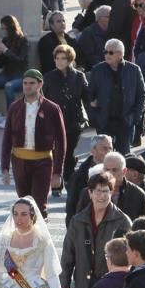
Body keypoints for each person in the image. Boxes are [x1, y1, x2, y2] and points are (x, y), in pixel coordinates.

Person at [60, 172, 131, 288]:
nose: (102, 196)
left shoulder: (123, 221)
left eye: (106, 191)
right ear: (90, 193)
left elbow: (130, 258)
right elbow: (67, 259)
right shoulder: (77, 221)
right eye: (98, 191)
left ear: (112, 193)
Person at [87, 38, 145, 153]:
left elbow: (141, 96)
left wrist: (135, 117)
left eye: (110, 52)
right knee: (104, 155)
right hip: (104, 121)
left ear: (120, 54)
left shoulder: (134, 70)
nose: (107, 55)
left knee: (123, 156)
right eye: (105, 52)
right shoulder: (97, 70)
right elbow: (89, 94)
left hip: (125, 121)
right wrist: (95, 115)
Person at [44, 45, 88, 185]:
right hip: (54, 122)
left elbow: (87, 98)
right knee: (56, 153)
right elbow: (42, 100)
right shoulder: (49, 77)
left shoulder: (79, 76)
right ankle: (57, 183)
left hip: (73, 122)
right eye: (57, 58)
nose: (59, 61)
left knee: (68, 153)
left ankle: (69, 180)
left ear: (69, 59)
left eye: (63, 58)